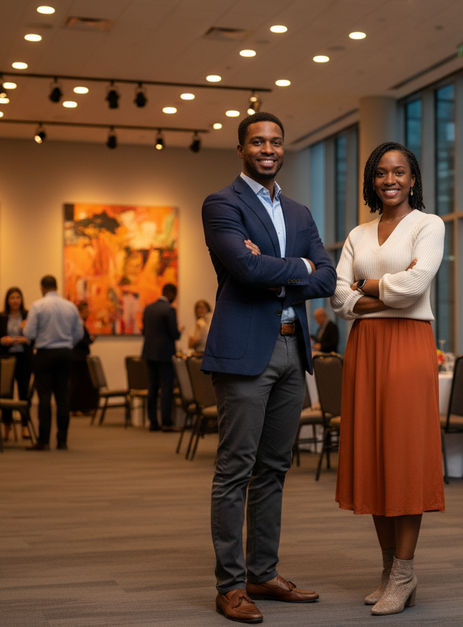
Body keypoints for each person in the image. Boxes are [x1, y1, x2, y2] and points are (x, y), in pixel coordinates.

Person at [201, 111, 335, 623]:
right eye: (257, 141)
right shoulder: (221, 204)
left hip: (290, 350)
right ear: (241, 149)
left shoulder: (299, 212)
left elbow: (327, 277)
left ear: (284, 149)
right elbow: (245, 266)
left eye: (275, 142)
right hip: (244, 353)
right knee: (235, 470)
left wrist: (283, 269)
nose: (267, 149)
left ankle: (263, 571)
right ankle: (231, 586)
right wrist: (296, 267)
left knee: (275, 469)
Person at [330, 141, 445, 616]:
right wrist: (376, 295)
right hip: (365, 349)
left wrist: (367, 288)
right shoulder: (357, 234)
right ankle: (388, 568)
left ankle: (405, 570)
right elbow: (337, 299)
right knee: (373, 455)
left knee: (403, 455)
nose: (390, 180)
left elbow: (417, 285)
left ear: (413, 178)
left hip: (408, 346)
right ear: (371, 181)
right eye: (381, 173)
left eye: (399, 172)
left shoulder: (429, 224)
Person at [23, 275, 84, 451]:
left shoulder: (38, 306)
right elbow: (79, 332)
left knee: (44, 398)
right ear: (56, 287)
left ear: (42, 288)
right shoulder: (70, 306)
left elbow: (29, 334)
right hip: (65, 354)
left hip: (45, 354)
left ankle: (43, 440)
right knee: (63, 398)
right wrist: (67, 344)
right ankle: (62, 440)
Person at [0, 287, 33, 440]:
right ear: (7, 300)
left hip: (24, 359)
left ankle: (24, 426)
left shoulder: (28, 315)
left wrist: (24, 340)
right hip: (6, 359)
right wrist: (3, 339)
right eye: (12, 298)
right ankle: (6, 427)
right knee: (6, 394)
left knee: (24, 394)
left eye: (18, 297)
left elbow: (34, 336)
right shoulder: (1, 317)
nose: (15, 301)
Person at [141, 283, 184, 432]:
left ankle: (153, 422)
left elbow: (144, 331)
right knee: (166, 389)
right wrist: (180, 330)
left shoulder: (148, 308)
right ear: (171, 293)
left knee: (152, 387)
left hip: (149, 353)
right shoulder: (169, 310)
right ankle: (166, 422)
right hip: (165, 355)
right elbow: (174, 334)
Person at [69, 301, 98, 416]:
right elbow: (79, 340)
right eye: (86, 311)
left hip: (78, 357)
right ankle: (74, 408)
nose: (88, 313)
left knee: (81, 384)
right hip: (77, 358)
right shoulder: (77, 324)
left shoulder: (78, 324)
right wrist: (89, 340)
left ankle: (78, 408)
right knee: (76, 384)